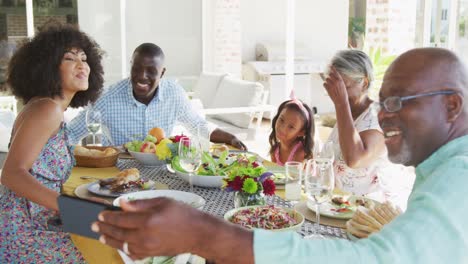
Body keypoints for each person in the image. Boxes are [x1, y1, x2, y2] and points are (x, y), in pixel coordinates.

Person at [93, 47, 468, 263]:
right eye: (384, 102)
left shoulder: (459, 176)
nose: (384, 114)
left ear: (452, 106)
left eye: (397, 101)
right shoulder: (443, 166)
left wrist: (203, 233)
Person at [0, 25, 104, 262]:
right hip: (24, 230)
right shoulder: (47, 109)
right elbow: (12, 174)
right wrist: (71, 206)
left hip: (37, 218)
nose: (82, 65)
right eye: (69, 58)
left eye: (84, 58)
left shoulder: (48, 106)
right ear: (47, 67)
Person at [67, 43, 246, 150]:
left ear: (162, 73)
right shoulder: (107, 97)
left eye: (151, 71)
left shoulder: (174, 93)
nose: (142, 76)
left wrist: (231, 138)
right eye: (136, 68)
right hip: (118, 172)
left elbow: (198, 125)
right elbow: (73, 132)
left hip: (162, 173)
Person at [323, 49, 411, 204]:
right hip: (341, 207)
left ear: (364, 83)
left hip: (372, 214)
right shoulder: (348, 114)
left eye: (343, 88)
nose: (335, 94)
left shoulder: (380, 118)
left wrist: (341, 103)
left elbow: (355, 160)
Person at [268, 99, 315, 165]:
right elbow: (274, 173)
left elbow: (294, 175)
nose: (282, 128)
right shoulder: (275, 151)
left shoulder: (300, 153)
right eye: (281, 120)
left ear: (301, 132)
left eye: (291, 127)